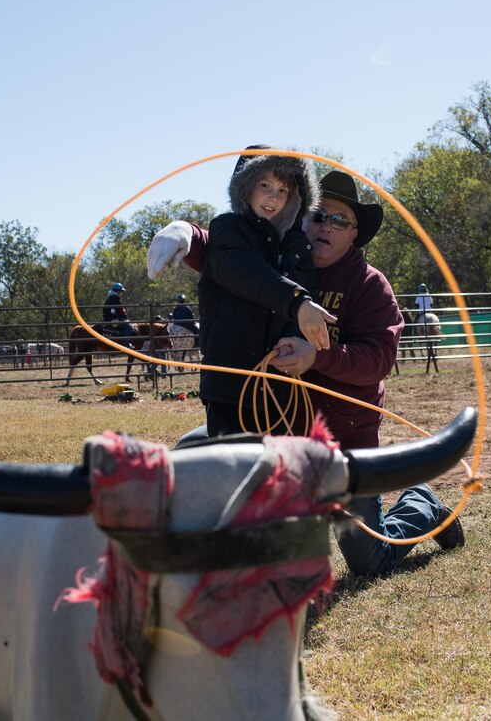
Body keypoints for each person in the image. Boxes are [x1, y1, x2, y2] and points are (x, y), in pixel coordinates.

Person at [149, 170, 463, 576]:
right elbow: (231, 259)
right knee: (192, 451)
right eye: (317, 215)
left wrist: (317, 357)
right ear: (300, 219)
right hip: (275, 425)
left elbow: (377, 359)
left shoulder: (369, 286)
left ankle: (422, 503)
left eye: (339, 220)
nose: (324, 226)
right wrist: (188, 234)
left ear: (354, 235)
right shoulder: (278, 259)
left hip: (341, 442)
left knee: (369, 560)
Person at [194, 146, 335, 436]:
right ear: (246, 186)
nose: (273, 197)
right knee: (234, 471)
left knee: (274, 473)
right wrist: (297, 303)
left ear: (295, 197)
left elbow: (308, 296)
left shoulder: (297, 244)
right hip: (231, 385)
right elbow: (245, 273)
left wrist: (298, 340)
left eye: (284, 190)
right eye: (265, 185)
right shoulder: (227, 229)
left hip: (279, 387)